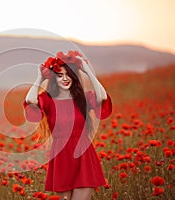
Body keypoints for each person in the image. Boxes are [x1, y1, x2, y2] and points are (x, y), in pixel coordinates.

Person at [23, 50, 112, 200]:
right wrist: (39, 78)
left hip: (83, 154)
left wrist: (87, 70)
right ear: (54, 78)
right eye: (59, 75)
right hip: (61, 156)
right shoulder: (48, 100)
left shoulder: (83, 98)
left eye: (69, 75)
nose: (65, 79)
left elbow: (102, 96)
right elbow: (30, 100)